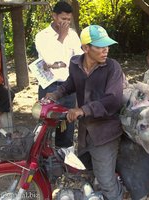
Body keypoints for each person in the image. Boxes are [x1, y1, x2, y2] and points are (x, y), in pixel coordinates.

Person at [46, 25, 124, 200]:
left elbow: (113, 99)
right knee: (87, 174)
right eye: (100, 46)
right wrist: (55, 94)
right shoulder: (75, 65)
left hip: (106, 132)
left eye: (107, 46)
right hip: (85, 132)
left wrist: (83, 109)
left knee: (105, 180)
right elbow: (70, 84)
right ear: (85, 48)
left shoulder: (112, 68)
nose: (106, 50)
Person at [35, 1, 83, 148]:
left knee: (67, 126)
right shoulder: (42, 36)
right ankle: (44, 164)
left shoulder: (73, 35)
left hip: (68, 87)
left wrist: (59, 64)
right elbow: (49, 60)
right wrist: (61, 37)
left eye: (68, 20)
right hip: (49, 87)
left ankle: (64, 162)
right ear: (54, 16)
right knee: (46, 127)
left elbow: (78, 59)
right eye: (63, 19)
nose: (66, 23)